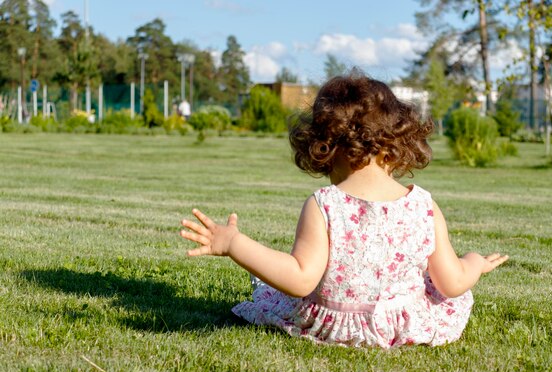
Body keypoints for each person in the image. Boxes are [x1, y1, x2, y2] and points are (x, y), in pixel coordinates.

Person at [180, 70, 508, 348]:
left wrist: (234, 243)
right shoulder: (423, 205)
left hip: (335, 325)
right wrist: (474, 263)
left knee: (274, 296)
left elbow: (299, 279)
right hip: (401, 325)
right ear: (397, 143)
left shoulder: (325, 204)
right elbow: (451, 283)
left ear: (323, 147)